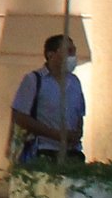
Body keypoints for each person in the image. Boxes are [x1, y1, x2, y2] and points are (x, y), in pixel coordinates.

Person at [10, 33, 86, 163]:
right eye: (68, 51)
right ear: (51, 55)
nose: (73, 56)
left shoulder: (74, 82)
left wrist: (77, 134)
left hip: (72, 151)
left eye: (74, 51)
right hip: (44, 149)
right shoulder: (34, 80)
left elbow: (79, 113)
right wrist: (55, 134)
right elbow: (20, 116)